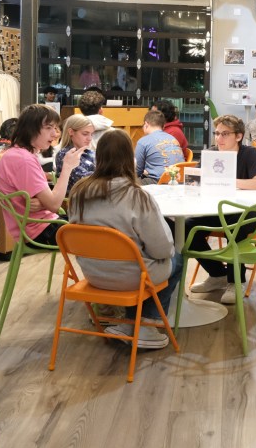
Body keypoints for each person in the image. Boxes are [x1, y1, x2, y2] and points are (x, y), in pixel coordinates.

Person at [68, 130, 180, 350]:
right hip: (131, 278)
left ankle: (128, 324)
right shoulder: (137, 196)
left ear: (98, 156)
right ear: (131, 158)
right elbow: (162, 249)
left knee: (140, 261)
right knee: (178, 257)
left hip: (93, 274)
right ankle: (145, 324)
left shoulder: (78, 192)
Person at [188, 115, 256, 304]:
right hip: (216, 211)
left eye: (224, 134)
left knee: (236, 225)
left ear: (238, 136)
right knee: (185, 225)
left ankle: (236, 281)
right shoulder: (212, 154)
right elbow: (198, 181)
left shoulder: (250, 154)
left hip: (251, 212)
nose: (218, 138)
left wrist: (228, 182)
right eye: (216, 133)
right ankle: (217, 274)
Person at [0, 104, 83, 246]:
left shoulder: (17, 154)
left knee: (95, 222)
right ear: (30, 130)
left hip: (38, 224)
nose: (54, 134)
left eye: (55, 128)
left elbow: (47, 201)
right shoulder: (24, 160)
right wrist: (67, 167)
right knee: (100, 232)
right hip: (40, 229)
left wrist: (42, 203)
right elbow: (54, 204)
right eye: (48, 128)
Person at [134, 110, 184, 185]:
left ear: (146, 124)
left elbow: (137, 170)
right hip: (179, 181)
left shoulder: (143, 142)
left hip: (158, 182)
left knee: (127, 183)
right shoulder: (173, 139)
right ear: (163, 126)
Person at [55, 114, 96, 191]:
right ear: (71, 132)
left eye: (92, 134)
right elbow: (83, 179)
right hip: (78, 199)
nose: (90, 138)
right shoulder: (64, 154)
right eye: (85, 134)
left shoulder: (91, 152)